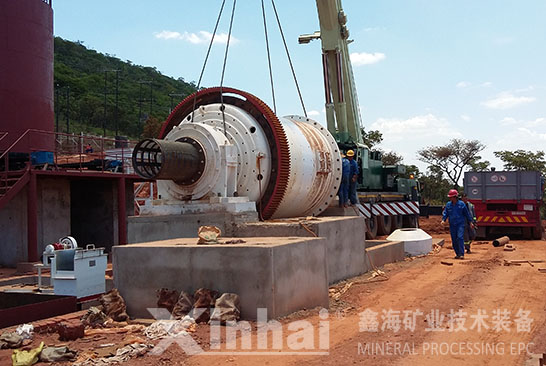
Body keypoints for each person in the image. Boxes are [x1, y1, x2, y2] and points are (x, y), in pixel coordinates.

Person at [441, 189, 473, 259]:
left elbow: (467, 214)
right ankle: (457, 254)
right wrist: (443, 219)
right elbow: (446, 213)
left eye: (451, 197)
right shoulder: (448, 205)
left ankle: (461, 254)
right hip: (452, 225)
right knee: (454, 239)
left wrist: (470, 222)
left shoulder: (462, 204)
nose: (450, 198)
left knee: (460, 237)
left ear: (455, 197)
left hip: (460, 224)